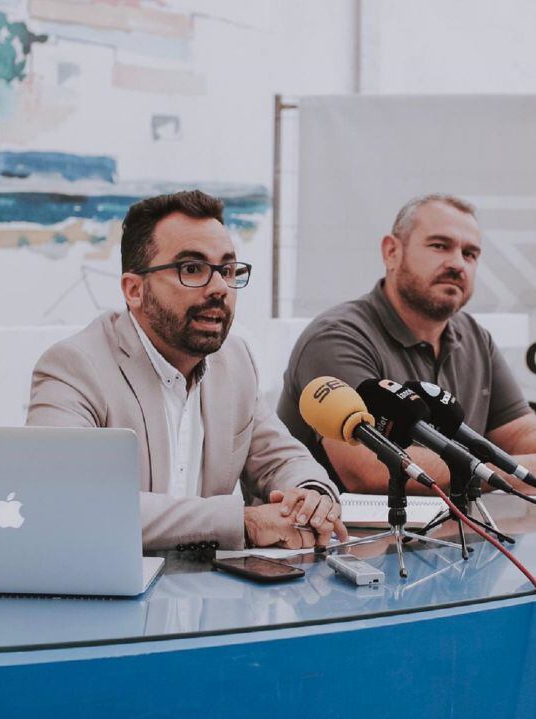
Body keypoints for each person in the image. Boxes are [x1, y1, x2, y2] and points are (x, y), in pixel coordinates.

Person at [27, 190, 347, 550]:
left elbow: (282, 458)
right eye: (192, 269)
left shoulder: (235, 360)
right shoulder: (74, 367)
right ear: (134, 290)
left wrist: (311, 495)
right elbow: (65, 502)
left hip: (214, 594)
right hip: (111, 592)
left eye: (227, 270)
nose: (219, 288)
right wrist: (241, 523)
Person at [277, 194, 536, 496]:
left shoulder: (475, 337)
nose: (458, 263)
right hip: (344, 546)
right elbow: (366, 468)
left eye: (470, 254)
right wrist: (511, 471)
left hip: (453, 537)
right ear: (391, 252)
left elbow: (518, 431)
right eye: (440, 246)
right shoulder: (337, 337)